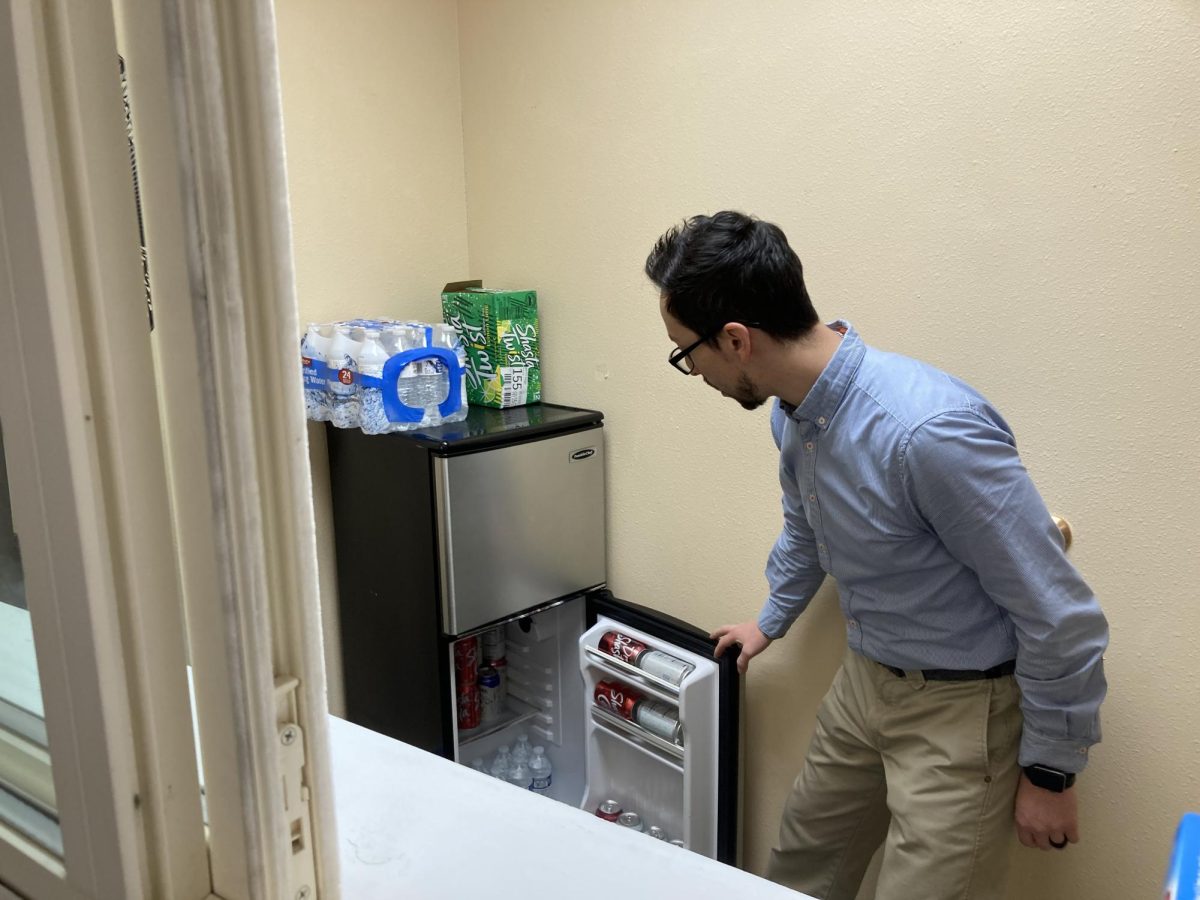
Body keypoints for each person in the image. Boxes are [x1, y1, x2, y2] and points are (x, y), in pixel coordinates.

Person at [645, 211, 1109, 900]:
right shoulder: (793, 412)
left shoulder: (927, 433)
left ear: (736, 340)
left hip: (963, 710)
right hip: (864, 681)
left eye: (688, 353)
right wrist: (769, 620)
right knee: (800, 869)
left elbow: (1058, 611)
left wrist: (1050, 772)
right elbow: (807, 528)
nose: (694, 371)